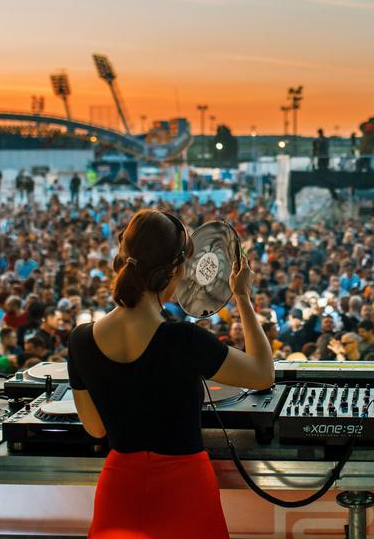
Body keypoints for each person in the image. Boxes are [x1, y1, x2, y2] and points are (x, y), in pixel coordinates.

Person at [67, 209, 273, 539]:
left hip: (120, 491)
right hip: (185, 491)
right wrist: (243, 297)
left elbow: (95, 428)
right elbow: (263, 374)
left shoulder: (80, 340)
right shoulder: (184, 339)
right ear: (174, 270)